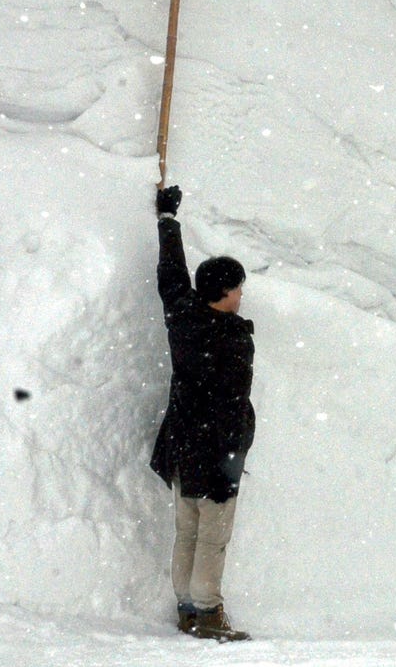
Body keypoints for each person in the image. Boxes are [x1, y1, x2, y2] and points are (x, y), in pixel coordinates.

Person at [151, 184, 255, 640]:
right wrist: (230, 462)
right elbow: (232, 408)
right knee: (212, 535)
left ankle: (187, 609)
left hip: (181, 443)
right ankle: (208, 615)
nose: (240, 295)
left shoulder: (183, 313)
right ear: (225, 293)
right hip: (214, 450)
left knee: (188, 529)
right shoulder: (231, 339)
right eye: (237, 289)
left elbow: (171, 277)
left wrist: (167, 221)